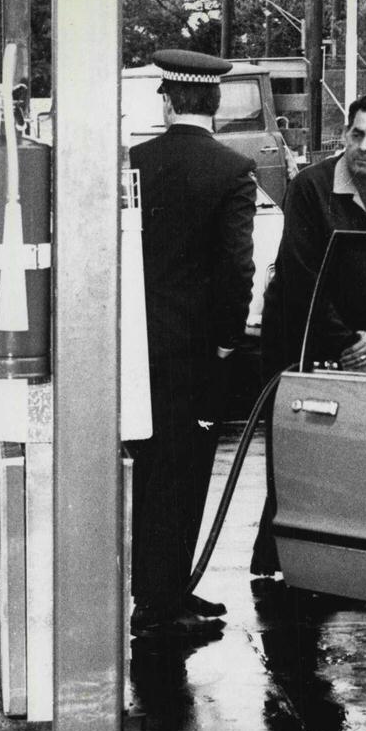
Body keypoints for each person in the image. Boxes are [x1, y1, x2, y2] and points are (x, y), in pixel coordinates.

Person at [250, 94, 366, 576]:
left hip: (360, 346)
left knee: (353, 458)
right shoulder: (310, 187)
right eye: (356, 135)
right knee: (295, 460)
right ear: (345, 134)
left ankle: (342, 566)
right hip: (299, 337)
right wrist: (348, 340)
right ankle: (276, 567)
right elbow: (303, 273)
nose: (362, 147)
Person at [130, 49, 256, 636]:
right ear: (215, 102)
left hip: (139, 347)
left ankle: (163, 589)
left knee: (154, 469)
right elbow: (237, 269)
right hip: (198, 351)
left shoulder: (137, 162)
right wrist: (230, 340)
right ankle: (161, 601)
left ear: (168, 97)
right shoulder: (231, 171)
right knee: (186, 472)